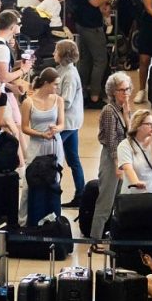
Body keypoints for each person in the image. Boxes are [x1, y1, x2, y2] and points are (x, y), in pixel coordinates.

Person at [91, 72, 133, 238]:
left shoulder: (124, 109)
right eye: (121, 90)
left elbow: (131, 134)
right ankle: (95, 238)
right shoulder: (109, 111)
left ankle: (112, 235)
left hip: (123, 158)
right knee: (105, 202)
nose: (126, 93)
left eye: (128, 89)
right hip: (112, 159)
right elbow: (111, 140)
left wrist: (127, 114)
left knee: (118, 200)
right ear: (113, 92)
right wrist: (117, 165)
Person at [22, 68, 66, 224]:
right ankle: (25, 220)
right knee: (30, 182)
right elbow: (24, 128)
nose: (57, 88)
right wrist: (40, 134)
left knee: (54, 179)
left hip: (54, 144)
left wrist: (57, 129)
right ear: (46, 83)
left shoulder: (58, 100)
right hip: (37, 145)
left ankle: (52, 217)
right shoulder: (28, 102)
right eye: (55, 84)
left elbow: (62, 123)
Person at [53, 41, 86, 210]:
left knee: (54, 155)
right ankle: (81, 193)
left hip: (68, 122)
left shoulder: (70, 75)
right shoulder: (63, 70)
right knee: (73, 159)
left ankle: (53, 190)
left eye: (56, 50)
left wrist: (49, 102)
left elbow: (66, 100)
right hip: (70, 121)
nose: (53, 53)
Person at [118, 108, 152, 205]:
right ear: (138, 126)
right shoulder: (125, 145)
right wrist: (136, 183)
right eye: (148, 124)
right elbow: (128, 168)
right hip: (133, 197)